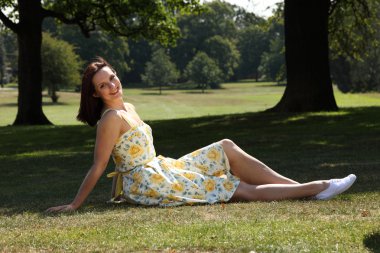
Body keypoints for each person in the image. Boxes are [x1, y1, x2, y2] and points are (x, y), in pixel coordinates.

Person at [46, 57, 357, 213]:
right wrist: (75, 205)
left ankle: (303, 190)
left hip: (162, 168)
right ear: (96, 94)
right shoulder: (110, 119)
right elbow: (99, 166)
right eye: (104, 85)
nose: (112, 85)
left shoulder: (128, 106)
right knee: (233, 187)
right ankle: (318, 187)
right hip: (147, 182)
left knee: (225, 147)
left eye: (112, 77)